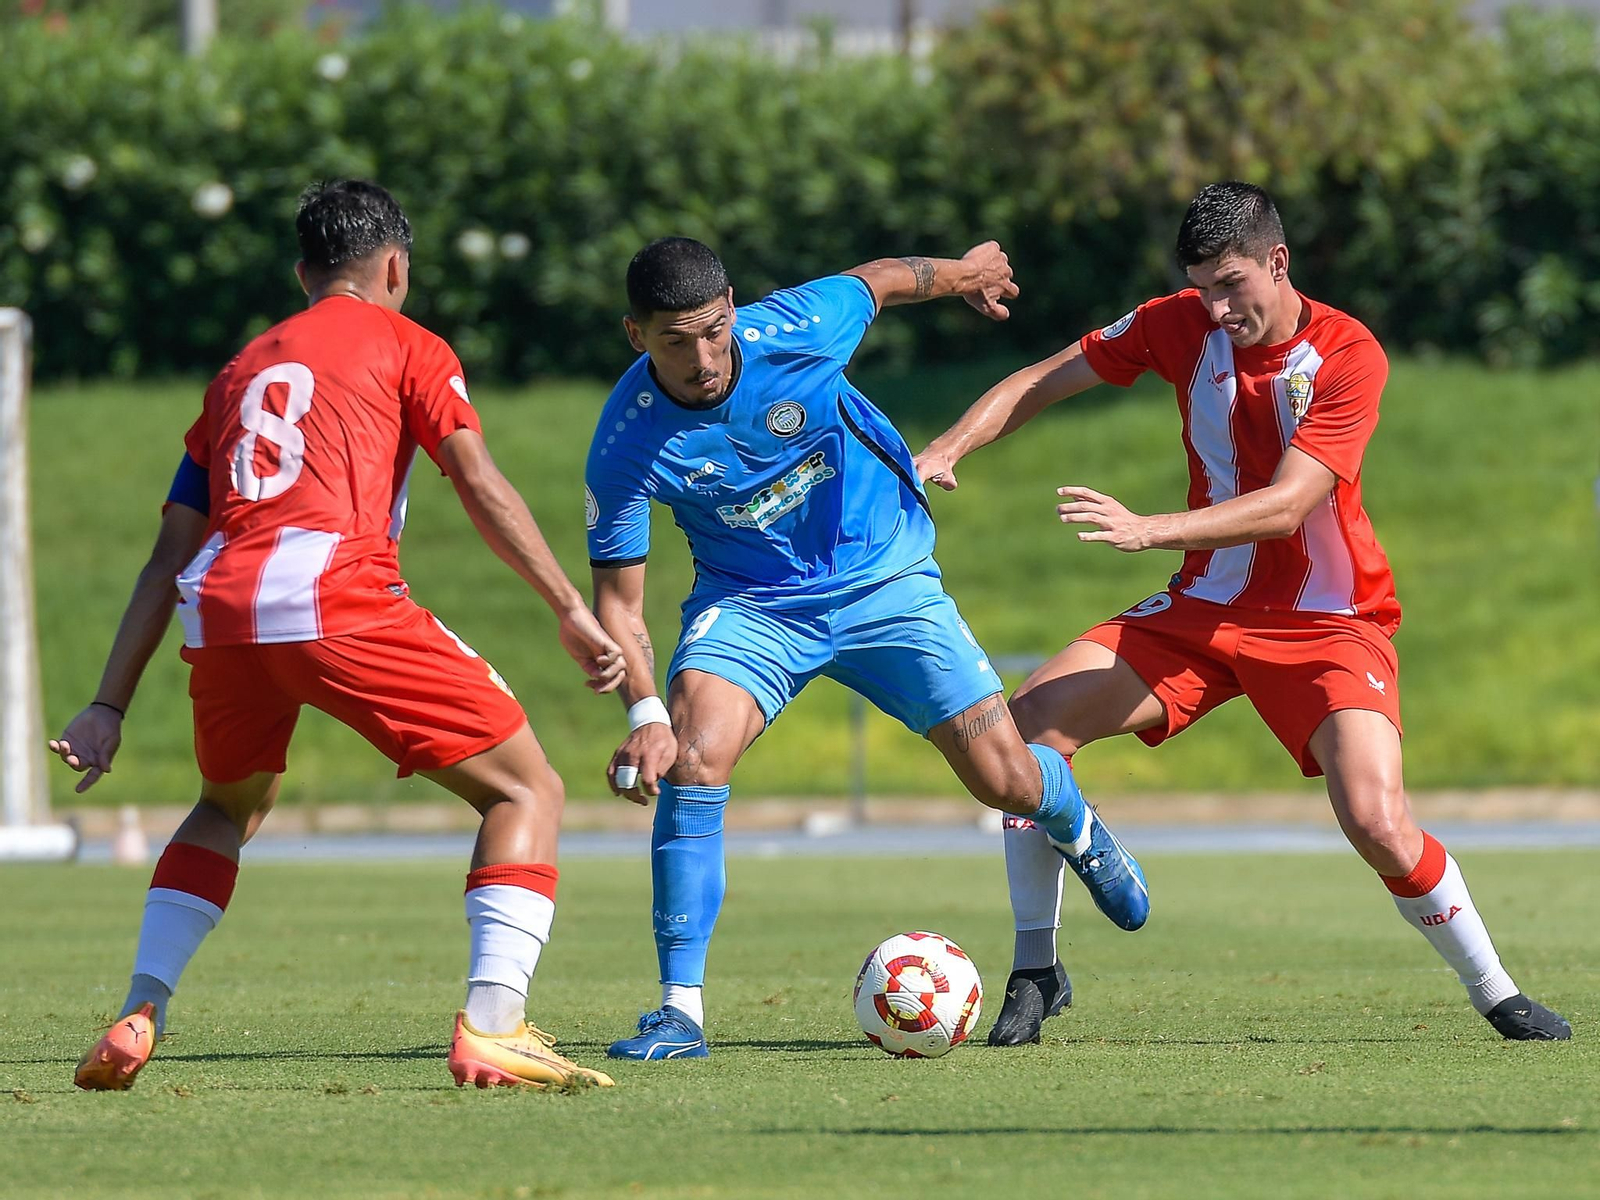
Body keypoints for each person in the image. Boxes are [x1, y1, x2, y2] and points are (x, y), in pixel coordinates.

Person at [914, 180, 1572, 1044]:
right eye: (1203, 286)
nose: (1218, 307)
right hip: (1203, 608)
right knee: (1025, 734)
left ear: (1278, 261)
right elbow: (1044, 378)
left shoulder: (1347, 353)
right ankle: (1037, 972)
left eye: (1233, 284)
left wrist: (1151, 528)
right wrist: (947, 445)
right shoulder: (1177, 320)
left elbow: (1288, 505)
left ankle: (1497, 992)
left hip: (1331, 621)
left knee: (1375, 820)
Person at [54, 179, 627, 1092]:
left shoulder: (237, 375)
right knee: (526, 788)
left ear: (302, 273)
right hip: (333, 593)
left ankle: (142, 1004)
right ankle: (494, 1024)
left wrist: (106, 703)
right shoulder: (409, 344)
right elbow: (476, 481)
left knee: (227, 806)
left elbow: (167, 554)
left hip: (224, 608)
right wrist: (565, 604)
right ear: (396, 266)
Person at [585, 236, 1149, 1062]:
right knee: (696, 756)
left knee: (1004, 780)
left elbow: (880, 282)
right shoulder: (626, 441)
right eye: (675, 341)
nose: (703, 358)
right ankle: (680, 1010)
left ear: (734, 308)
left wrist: (967, 275)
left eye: (713, 331)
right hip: (753, 606)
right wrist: (644, 713)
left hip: (883, 574)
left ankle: (1072, 817)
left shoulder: (800, 326)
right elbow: (618, 602)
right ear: (637, 336)